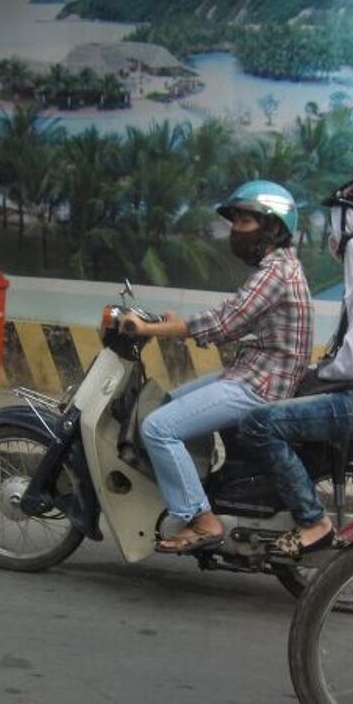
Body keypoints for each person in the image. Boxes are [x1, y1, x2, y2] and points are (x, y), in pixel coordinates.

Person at [120, 180, 313, 553]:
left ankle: (200, 518)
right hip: (254, 372)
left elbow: (226, 323)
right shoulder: (280, 267)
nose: (235, 231)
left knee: (157, 427)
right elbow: (236, 318)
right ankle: (193, 485)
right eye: (235, 222)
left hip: (260, 385)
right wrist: (173, 324)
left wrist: (152, 329)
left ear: (272, 228)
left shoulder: (277, 273)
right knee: (167, 403)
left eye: (244, 222)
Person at [240, 177, 353, 560]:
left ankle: (313, 521)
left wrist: (312, 374)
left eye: (335, 220)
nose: (331, 231)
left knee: (260, 423)